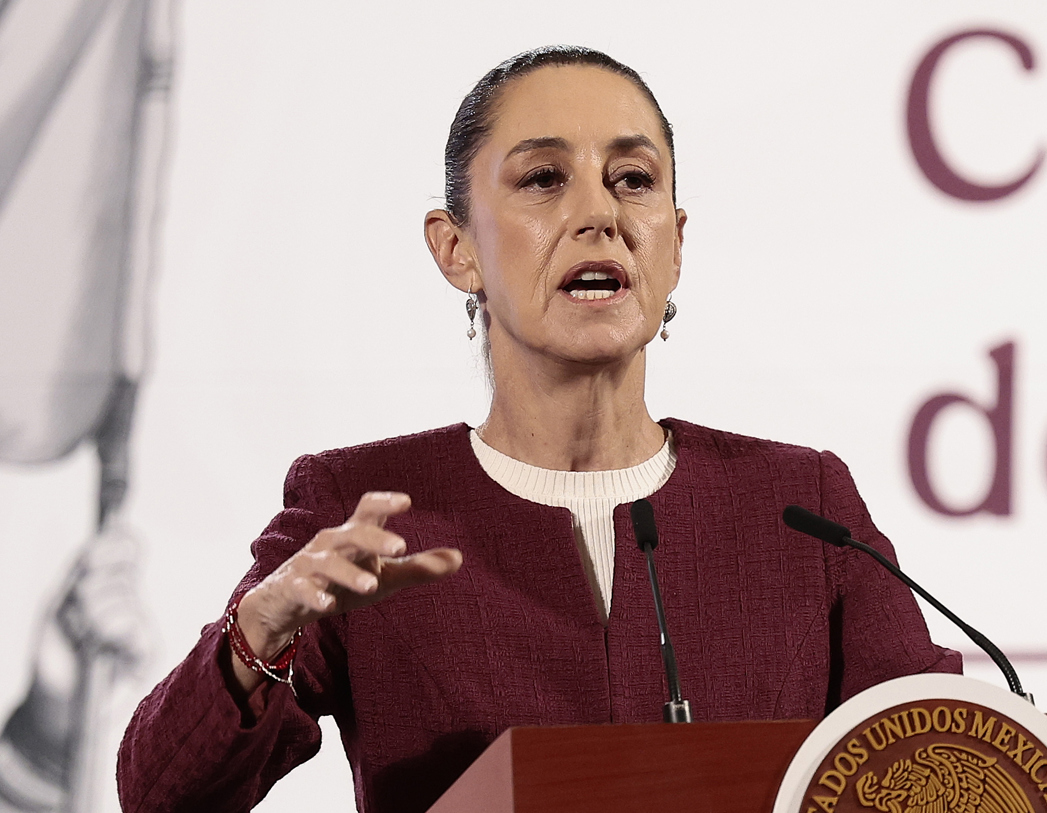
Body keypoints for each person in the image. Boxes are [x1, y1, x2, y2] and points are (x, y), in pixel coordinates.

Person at [117, 46, 961, 813]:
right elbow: (160, 795)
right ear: (457, 250)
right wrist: (253, 639)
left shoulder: (797, 505)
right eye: (543, 179)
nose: (600, 214)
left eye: (633, 179)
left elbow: (952, 761)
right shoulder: (362, 512)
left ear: (674, 245)